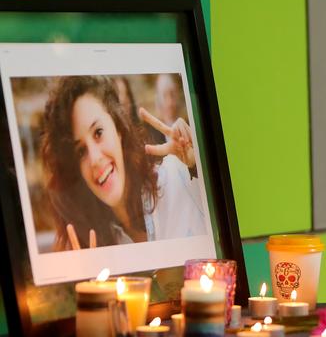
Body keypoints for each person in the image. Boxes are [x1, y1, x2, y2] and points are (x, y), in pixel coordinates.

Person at [41, 75, 206, 251]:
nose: (95, 159)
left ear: (118, 129)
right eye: (80, 151)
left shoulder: (178, 178)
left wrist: (200, 165)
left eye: (98, 133)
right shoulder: (90, 243)